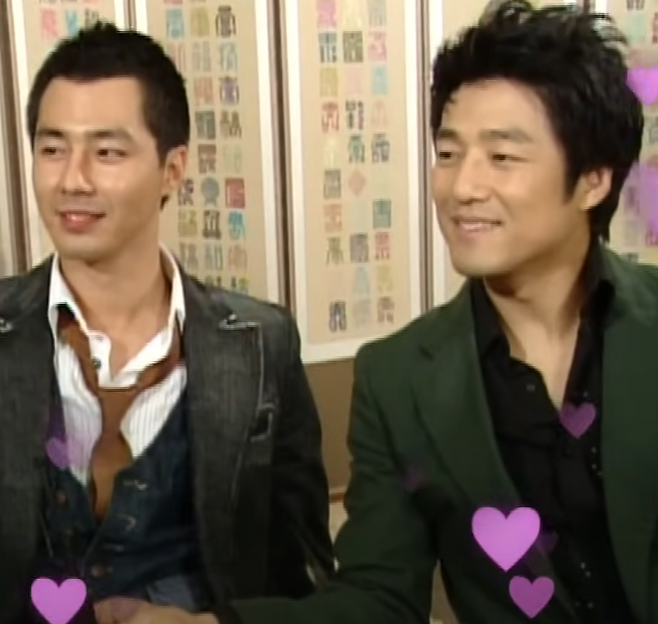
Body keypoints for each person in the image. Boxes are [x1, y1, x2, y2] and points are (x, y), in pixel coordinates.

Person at [127, 2, 656, 623]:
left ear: (593, 179)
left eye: (502, 157)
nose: (461, 188)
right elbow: (380, 598)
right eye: (448, 154)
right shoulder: (398, 378)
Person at [0, 23, 334, 624]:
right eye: (52, 149)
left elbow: (301, 566)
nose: (72, 179)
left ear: (173, 168)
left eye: (107, 152)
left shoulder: (261, 342)